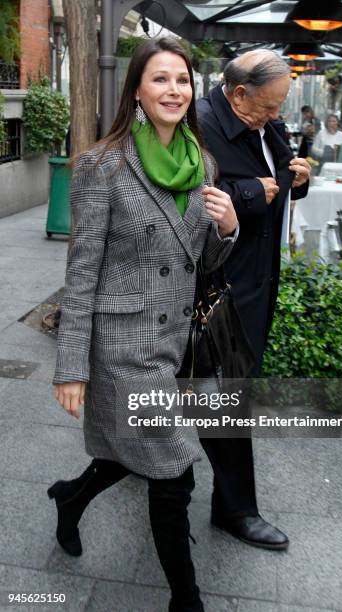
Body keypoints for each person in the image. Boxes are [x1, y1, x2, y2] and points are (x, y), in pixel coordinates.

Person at [48, 37, 238, 612]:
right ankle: (188, 600)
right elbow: (81, 273)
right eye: (160, 79)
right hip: (121, 345)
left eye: (182, 80)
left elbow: (201, 260)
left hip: (172, 342)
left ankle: (70, 498)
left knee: (127, 453)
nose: (173, 90)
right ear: (137, 90)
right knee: (172, 470)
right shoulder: (103, 165)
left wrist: (227, 229)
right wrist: (70, 367)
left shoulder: (202, 162)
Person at [196, 49, 311, 550]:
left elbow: (275, 178)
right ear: (239, 92)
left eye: (279, 107)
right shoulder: (198, 124)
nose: (275, 116)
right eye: (267, 107)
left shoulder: (268, 121)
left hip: (256, 282)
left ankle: (122, 463)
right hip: (215, 285)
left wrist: (297, 179)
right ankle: (236, 510)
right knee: (225, 400)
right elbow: (182, 197)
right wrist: (246, 197)